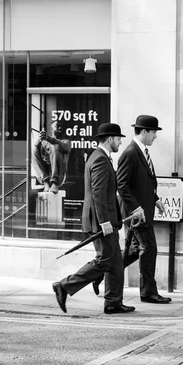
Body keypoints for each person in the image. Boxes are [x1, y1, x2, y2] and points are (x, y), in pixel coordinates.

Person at [52, 123, 135, 315]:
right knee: (104, 259)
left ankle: (113, 302)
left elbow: (106, 193)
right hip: (100, 221)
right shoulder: (99, 160)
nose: (120, 142)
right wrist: (105, 221)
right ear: (109, 139)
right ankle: (64, 286)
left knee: (115, 263)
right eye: (118, 138)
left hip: (107, 220)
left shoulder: (101, 158)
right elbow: (98, 193)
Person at [116, 114, 172, 304]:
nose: (155, 136)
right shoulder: (130, 153)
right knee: (149, 249)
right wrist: (136, 208)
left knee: (133, 251)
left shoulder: (142, 152)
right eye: (154, 132)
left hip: (144, 211)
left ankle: (102, 273)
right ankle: (148, 292)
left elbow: (142, 183)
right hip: (137, 215)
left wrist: (156, 199)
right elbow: (121, 185)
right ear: (144, 131)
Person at [32, 120, 72, 194]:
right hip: (45, 174)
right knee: (34, 150)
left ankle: (54, 183)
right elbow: (35, 153)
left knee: (55, 147)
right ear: (51, 128)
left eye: (61, 126)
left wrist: (50, 139)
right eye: (57, 126)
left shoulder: (65, 141)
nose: (60, 128)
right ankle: (46, 181)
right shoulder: (45, 142)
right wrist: (40, 138)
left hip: (59, 175)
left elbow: (66, 147)